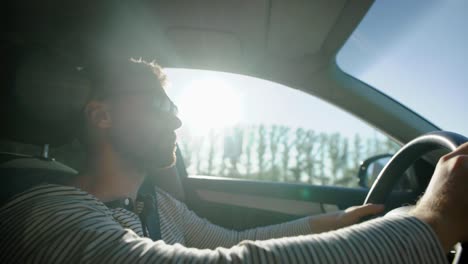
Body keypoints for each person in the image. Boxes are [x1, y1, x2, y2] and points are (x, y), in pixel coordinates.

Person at [0, 57, 465, 263]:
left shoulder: (155, 205)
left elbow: (234, 240)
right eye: (162, 108)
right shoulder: (45, 211)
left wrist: (343, 220)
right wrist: (434, 220)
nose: (177, 123)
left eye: (177, 110)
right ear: (101, 115)